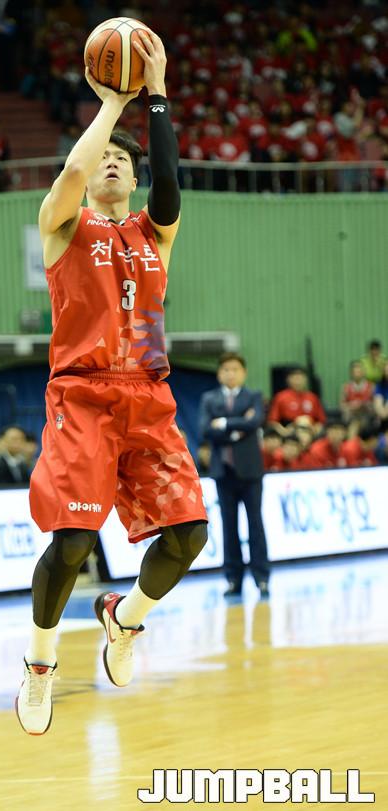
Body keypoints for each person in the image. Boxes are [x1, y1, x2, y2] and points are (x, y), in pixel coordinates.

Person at [16, 32, 208, 736]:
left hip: (148, 395)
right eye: (105, 158)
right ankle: (40, 663)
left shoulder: (156, 235)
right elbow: (74, 166)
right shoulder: (63, 225)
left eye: (123, 160)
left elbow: (169, 180)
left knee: (190, 534)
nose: (113, 163)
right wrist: (111, 104)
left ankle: (124, 620)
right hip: (83, 394)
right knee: (72, 543)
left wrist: (156, 98)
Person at [199, 352, 269, 599]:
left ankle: (262, 577)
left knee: (255, 524)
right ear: (219, 373)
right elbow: (204, 429)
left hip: (250, 471)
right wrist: (239, 427)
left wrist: (224, 424)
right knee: (229, 527)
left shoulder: (254, 396)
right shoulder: (209, 398)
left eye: (235, 369)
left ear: (244, 372)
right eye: (226, 369)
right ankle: (233, 579)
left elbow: (255, 422)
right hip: (223, 471)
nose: (231, 373)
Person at [267, 366, 326, 436]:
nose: (298, 381)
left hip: (310, 431)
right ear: (288, 380)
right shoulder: (281, 397)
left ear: (306, 379)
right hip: (290, 432)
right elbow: (272, 422)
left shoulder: (313, 397)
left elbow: (321, 421)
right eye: (295, 378)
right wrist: (284, 432)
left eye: (301, 377)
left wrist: (316, 430)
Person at [339, 360, 375, 436]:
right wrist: (351, 406)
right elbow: (342, 406)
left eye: (359, 371)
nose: (357, 373)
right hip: (351, 417)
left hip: (366, 416)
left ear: (363, 372)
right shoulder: (346, 387)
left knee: (357, 424)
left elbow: (375, 406)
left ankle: (351, 441)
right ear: (351, 373)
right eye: (355, 371)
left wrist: (365, 405)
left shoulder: (371, 387)